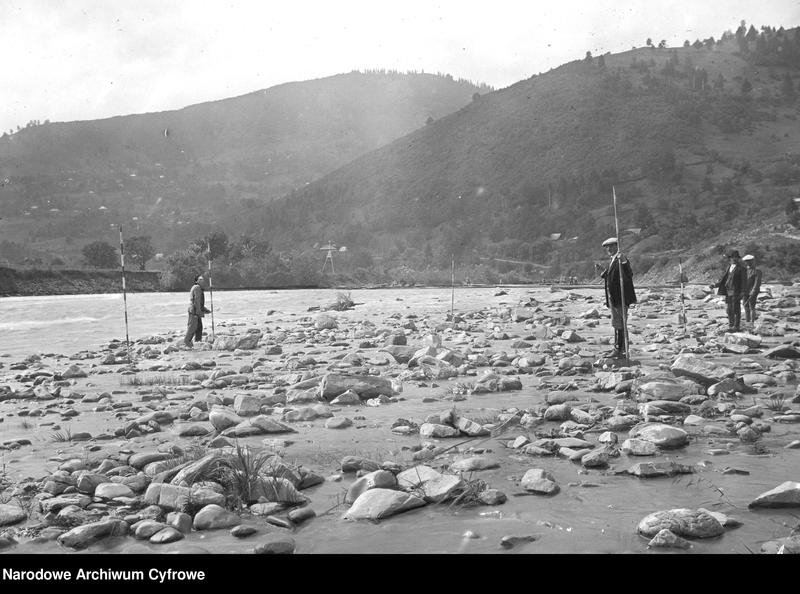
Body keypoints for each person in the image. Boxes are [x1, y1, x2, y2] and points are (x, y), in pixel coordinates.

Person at [599, 237, 637, 358]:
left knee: (621, 324)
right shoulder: (613, 260)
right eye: (607, 247)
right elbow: (613, 277)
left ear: (617, 246)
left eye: (611, 246)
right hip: (613, 298)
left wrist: (625, 261)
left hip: (620, 297)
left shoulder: (621, 259)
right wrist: (604, 272)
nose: (609, 249)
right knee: (617, 324)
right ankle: (619, 348)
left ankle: (620, 350)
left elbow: (628, 274)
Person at [711, 250, 746, 332]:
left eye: (736, 257)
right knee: (729, 309)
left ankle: (736, 326)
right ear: (730, 258)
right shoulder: (729, 267)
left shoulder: (742, 268)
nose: (734, 259)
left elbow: (744, 281)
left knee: (736, 309)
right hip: (728, 291)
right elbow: (724, 279)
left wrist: (743, 292)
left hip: (736, 291)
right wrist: (715, 285)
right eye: (733, 257)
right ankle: (731, 325)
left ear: (738, 258)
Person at [184, 274, 211, 348]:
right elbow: (196, 301)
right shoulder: (197, 288)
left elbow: (199, 303)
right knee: (192, 327)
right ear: (196, 281)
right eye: (200, 279)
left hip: (196, 310)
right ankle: (186, 343)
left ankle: (198, 343)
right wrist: (198, 312)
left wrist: (205, 310)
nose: (202, 281)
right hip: (194, 311)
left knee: (199, 327)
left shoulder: (199, 288)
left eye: (202, 279)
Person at [741, 254, 762, 328]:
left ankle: (752, 323)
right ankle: (747, 322)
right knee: (745, 306)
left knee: (752, 307)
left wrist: (753, 291)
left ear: (752, 261)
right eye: (746, 261)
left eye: (748, 261)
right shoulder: (745, 270)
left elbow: (757, 283)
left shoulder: (757, 271)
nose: (747, 263)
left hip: (752, 291)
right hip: (745, 291)